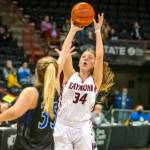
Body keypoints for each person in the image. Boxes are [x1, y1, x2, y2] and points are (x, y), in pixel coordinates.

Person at [54, 13, 114, 150]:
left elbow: (100, 57)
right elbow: (64, 53)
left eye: (89, 58)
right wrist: (72, 30)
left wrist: (98, 30)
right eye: (83, 57)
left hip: (82, 127)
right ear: (79, 61)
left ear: (93, 64)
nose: (86, 59)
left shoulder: (95, 81)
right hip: (62, 125)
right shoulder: (70, 75)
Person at [0, 43, 74, 150]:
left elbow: (14, 113)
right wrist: (72, 32)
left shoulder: (32, 92)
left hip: (27, 147)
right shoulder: (56, 90)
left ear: (36, 71)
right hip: (47, 146)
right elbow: (59, 66)